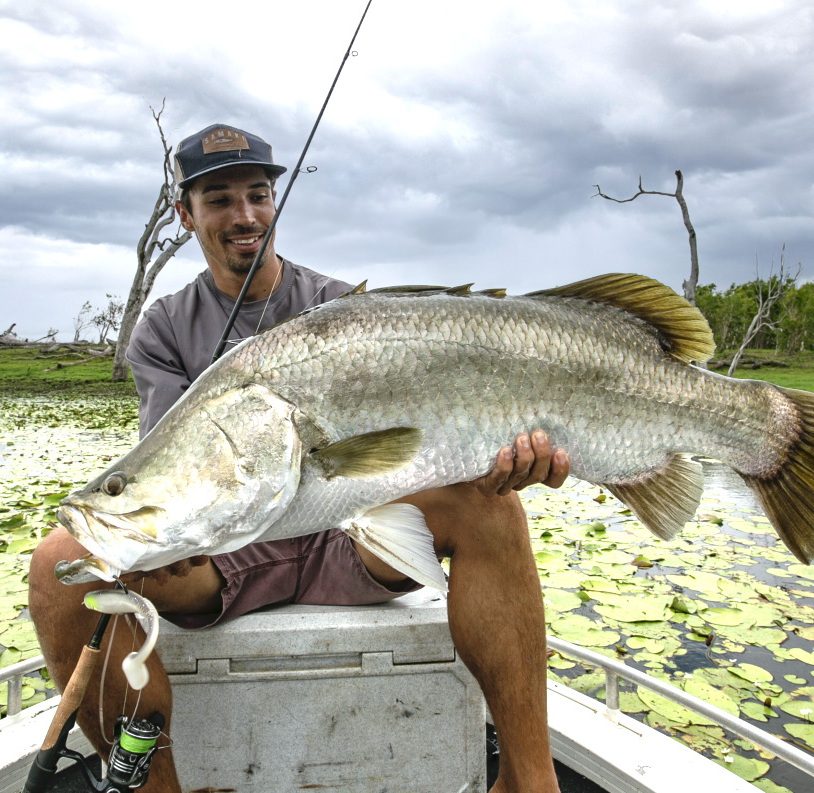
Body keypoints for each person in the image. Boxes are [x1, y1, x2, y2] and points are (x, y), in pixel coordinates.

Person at [28, 124, 570, 793]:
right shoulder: (165, 327)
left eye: (258, 194)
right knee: (58, 564)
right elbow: (167, 466)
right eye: (220, 198)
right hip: (221, 561)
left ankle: (529, 781)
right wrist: (160, 539)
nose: (245, 214)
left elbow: (399, 449)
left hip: (345, 532)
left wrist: (504, 457)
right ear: (185, 214)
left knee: (492, 503)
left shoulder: (338, 309)